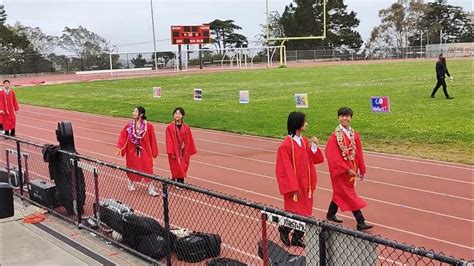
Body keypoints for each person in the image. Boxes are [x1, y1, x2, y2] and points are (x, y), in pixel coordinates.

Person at [275, 111, 324, 247]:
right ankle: (284, 229)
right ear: (297, 124)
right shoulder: (286, 145)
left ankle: (297, 237)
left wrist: (314, 146)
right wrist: (293, 187)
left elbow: (314, 159)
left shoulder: (304, 141)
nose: (306, 124)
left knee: (306, 212)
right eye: (304, 121)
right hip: (295, 186)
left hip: (306, 184)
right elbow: (285, 169)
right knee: (294, 211)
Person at [325, 107, 373, 231]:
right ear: (338, 118)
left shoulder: (354, 134)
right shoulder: (335, 137)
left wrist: (362, 169)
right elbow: (333, 156)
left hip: (352, 169)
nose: (345, 118)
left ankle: (330, 214)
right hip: (340, 171)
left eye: (347, 116)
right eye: (342, 116)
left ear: (351, 118)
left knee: (340, 192)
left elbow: (359, 152)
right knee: (348, 195)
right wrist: (345, 169)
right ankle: (360, 221)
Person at [117, 106, 159, 196]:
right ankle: (130, 183)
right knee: (132, 166)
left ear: (141, 114)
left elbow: (153, 139)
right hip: (132, 150)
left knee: (147, 167)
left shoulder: (149, 127)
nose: (134, 113)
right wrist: (120, 147)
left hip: (145, 151)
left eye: (136, 112)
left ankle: (151, 188)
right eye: (134, 111)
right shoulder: (129, 125)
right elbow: (123, 136)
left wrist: (154, 152)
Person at [165, 107, 196, 185]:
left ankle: (179, 179)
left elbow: (189, 139)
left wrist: (189, 150)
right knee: (175, 165)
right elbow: (169, 140)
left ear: (182, 116)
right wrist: (171, 152)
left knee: (183, 165)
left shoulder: (186, 127)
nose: (177, 115)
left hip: (183, 150)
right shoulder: (170, 127)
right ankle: (176, 179)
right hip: (174, 150)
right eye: (176, 113)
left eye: (179, 114)